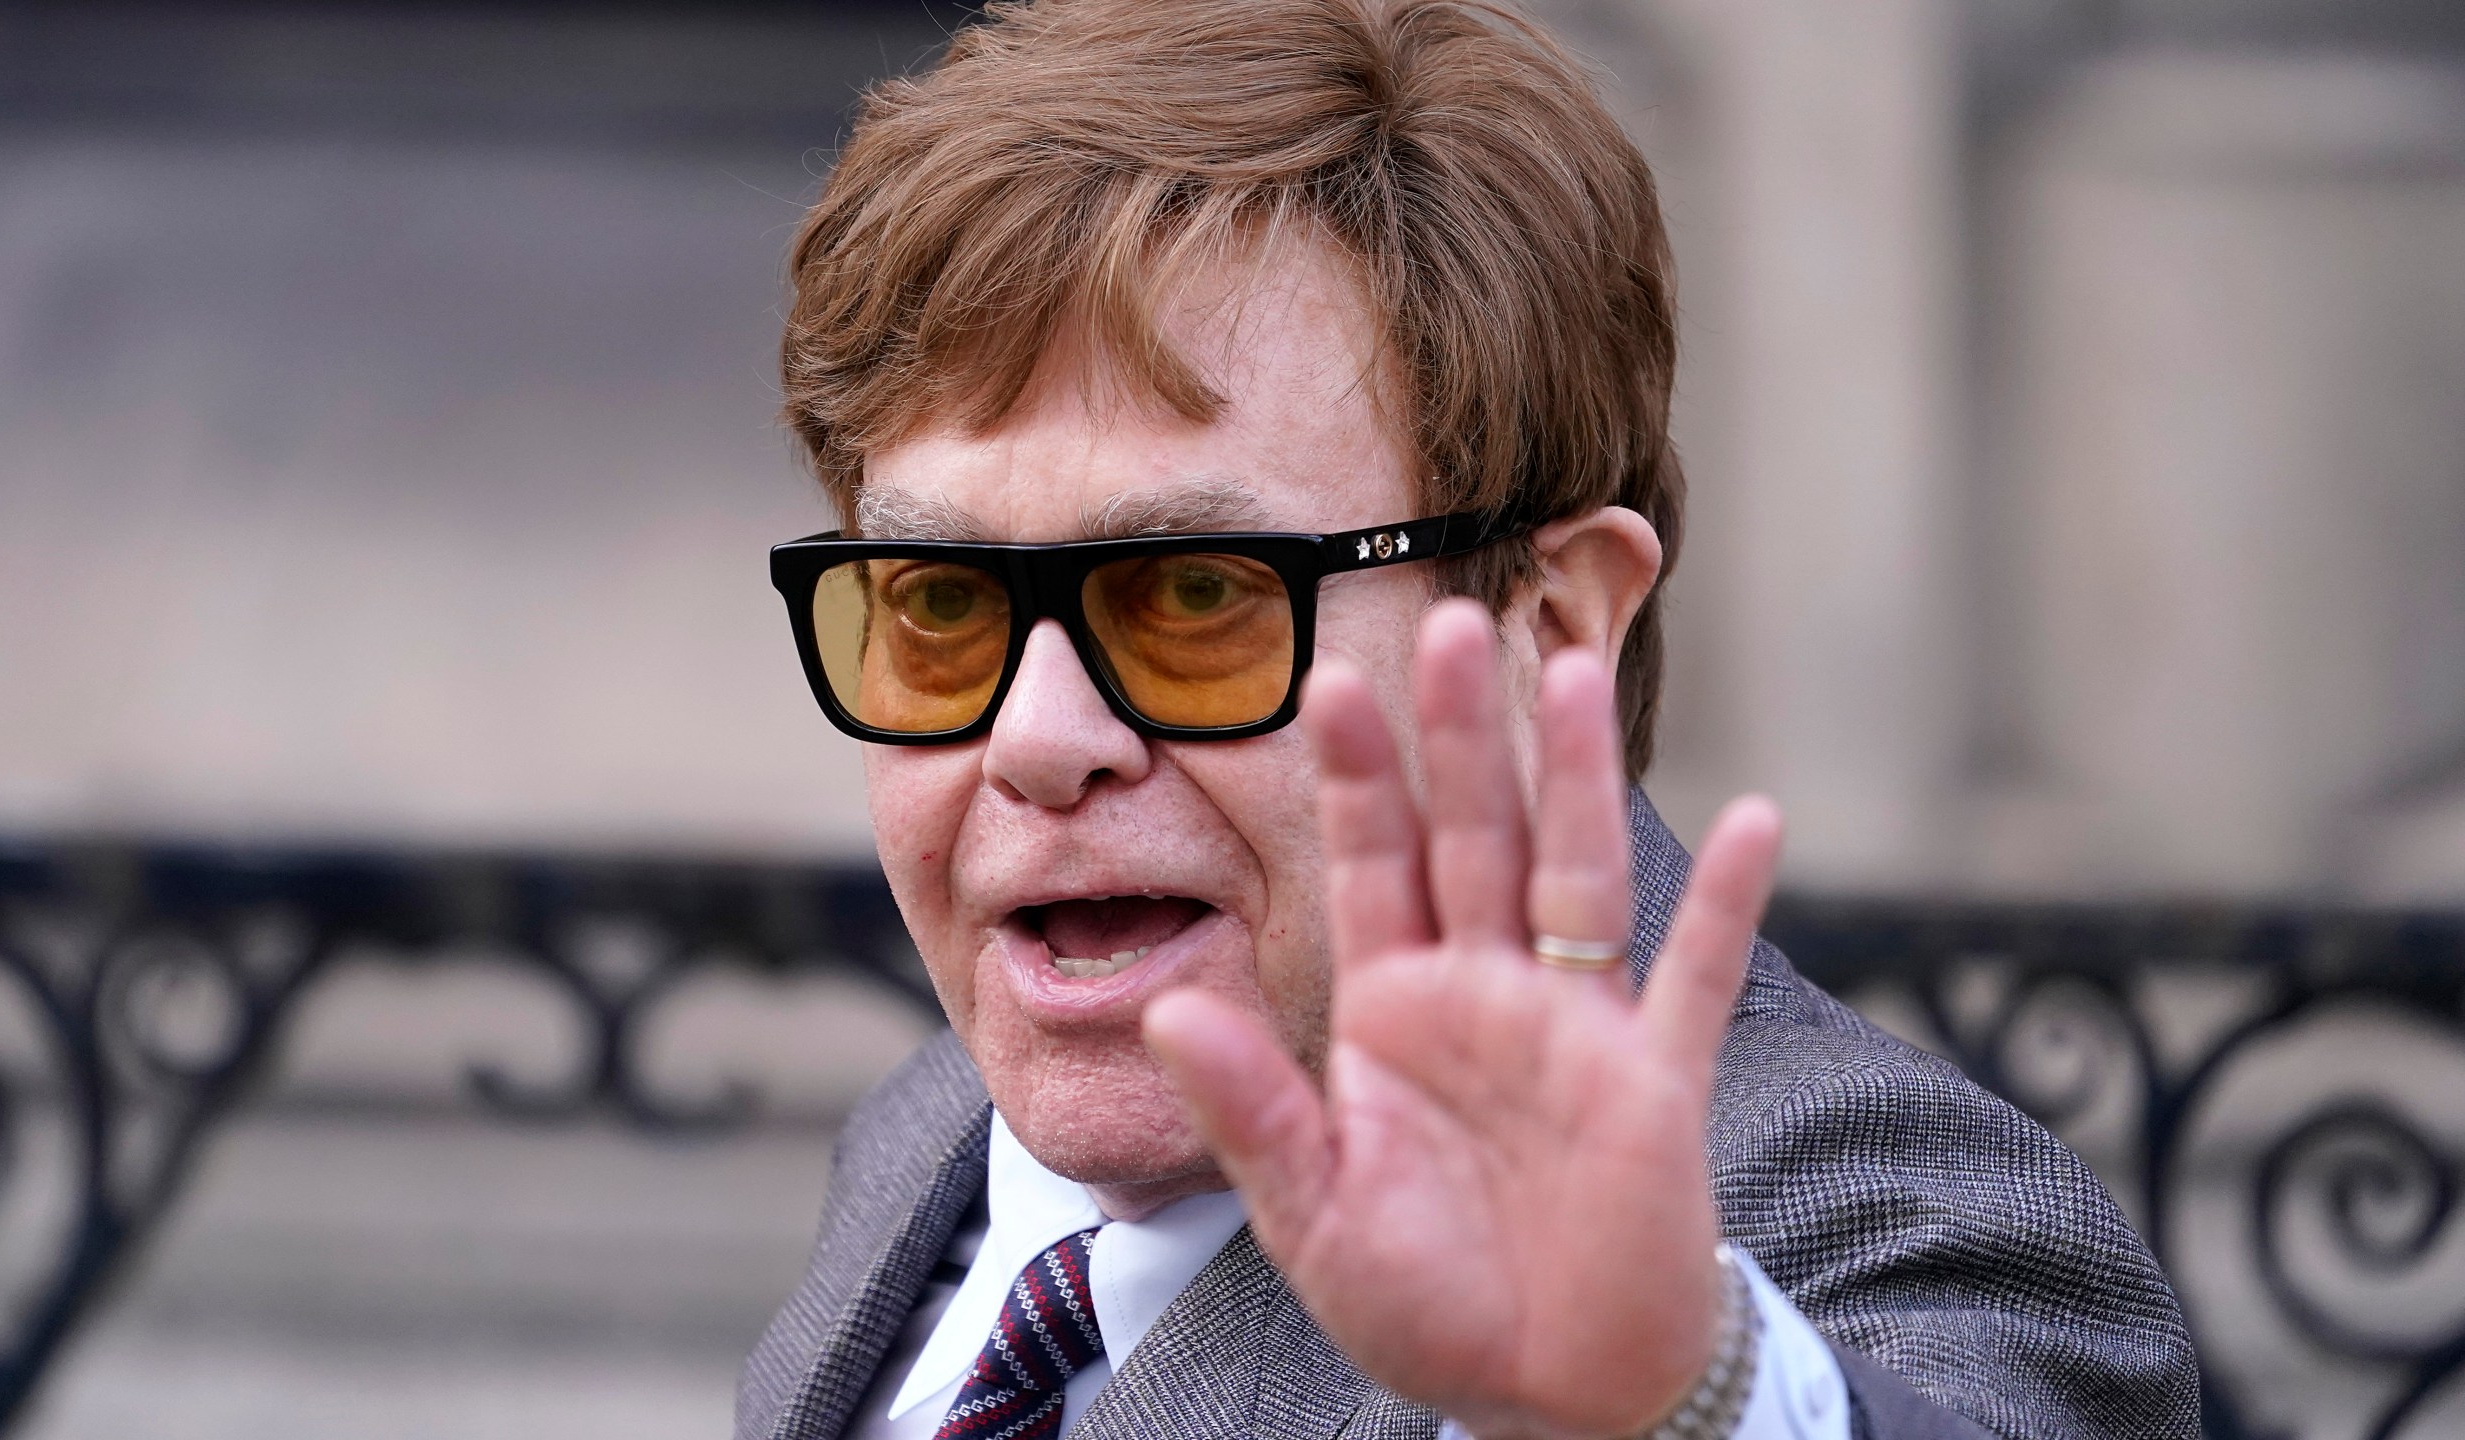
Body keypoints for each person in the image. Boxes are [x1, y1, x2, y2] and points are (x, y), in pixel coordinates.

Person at [737, 1, 2198, 1437]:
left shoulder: (1861, 1224)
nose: (1039, 739)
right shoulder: (928, 1138)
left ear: (1548, 629)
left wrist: (1675, 1400)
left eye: (1192, 596)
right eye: (940, 604)